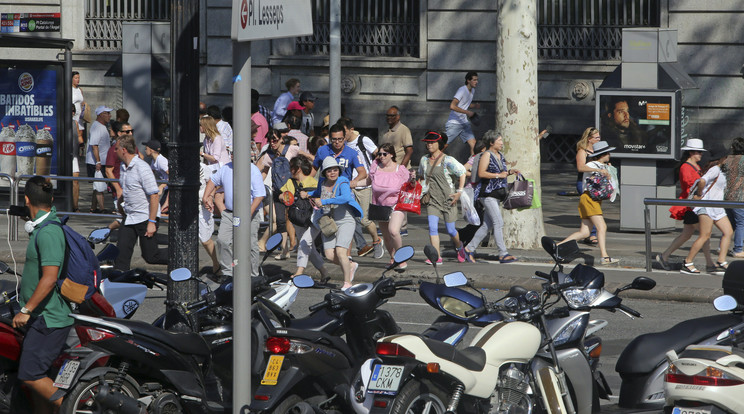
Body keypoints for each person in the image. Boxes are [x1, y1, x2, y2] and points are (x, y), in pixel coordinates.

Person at [13, 176, 73, 412]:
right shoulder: (42, 227)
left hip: (49, 319)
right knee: (38, 379)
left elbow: (49, 278)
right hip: (42, 317)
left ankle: (74, 408)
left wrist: (26, 310)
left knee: (31, 375)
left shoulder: (48, 233)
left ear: (26, 199)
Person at [461, 131, 519, 264]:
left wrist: (509, 172)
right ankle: (503, 254)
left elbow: (501, 172)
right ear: (491, 143)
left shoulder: (500, 156)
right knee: (499, 222)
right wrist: (499, 176)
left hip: (497, 195)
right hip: (487, 195)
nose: (502, 142)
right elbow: (481, 173)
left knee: (487, 225)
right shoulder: (486, 155)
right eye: (499, 140)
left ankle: (469, 249)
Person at [558, 141, 619, 265]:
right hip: (590, 199)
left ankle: (557, 246)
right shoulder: (592, 164)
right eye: (608, 153)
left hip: (592, 200)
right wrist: (600, 170)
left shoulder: (602, 166)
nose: (609, 155)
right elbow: (582, 167)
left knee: (584, 232)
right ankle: (604, 256)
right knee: (602, 227)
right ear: (603, 154)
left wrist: (608, 171)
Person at [656, 139, 713, 270]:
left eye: (701, 152)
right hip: (691, 205)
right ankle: (699, 263)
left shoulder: (695, 166)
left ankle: (665, 256)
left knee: (688, 235)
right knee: (704, 234)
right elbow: (690, 188)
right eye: (698, 152)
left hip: (693, 205)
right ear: (691, 152)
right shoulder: (686, 167)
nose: (701, 154)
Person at [113, 134, 169, 271]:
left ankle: (179, 256)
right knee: (121, 253)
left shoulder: (142, 168)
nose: (114, 152)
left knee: (151, 256)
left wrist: (152, 222)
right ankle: (120, 283)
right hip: (129, 216)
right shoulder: (123, 167)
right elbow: (125, 191)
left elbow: (154, 196)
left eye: (116, 149)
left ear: (124, 150)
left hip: (145, 217)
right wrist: (121, 207)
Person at [310, 157, 363, 290]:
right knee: (328, 255)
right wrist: (308, 194)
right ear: (324, 173)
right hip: (329, 222)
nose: (332, 173)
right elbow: (317, 193)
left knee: (340, 252)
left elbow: (345, 197)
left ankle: (347, 283)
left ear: (339, 171)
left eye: (335, 170)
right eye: (329, 171)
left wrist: (325, 202)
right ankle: (350, 266)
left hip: (346, 220)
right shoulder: (322, 182)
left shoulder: (343, 181)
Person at [418, 131, 467, 263]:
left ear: (439, 144)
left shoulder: (448, 160)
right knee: (432, 227)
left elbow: (462, 173)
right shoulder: (424, 160)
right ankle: (436, 257)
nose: (429, 145)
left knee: (451, 230)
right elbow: (421, 176)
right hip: (432, 199)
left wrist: (459, 192)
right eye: (427, 142)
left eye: (432, 142)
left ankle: (459, 247)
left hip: (448, 199)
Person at [338, 117, 384, 258]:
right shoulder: (342, 144)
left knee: (364, 220)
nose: (342, 135)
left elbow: (378, 154)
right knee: (350, 218)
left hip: (364, 185)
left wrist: (376, 173)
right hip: (349, 186)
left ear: (351, 129)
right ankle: (348, 253)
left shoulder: (363, 140)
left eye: (344, 131)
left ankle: (377, 241)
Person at [680, 154, 733, 275]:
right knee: (705, 236)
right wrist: (699, 194)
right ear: (721, 158)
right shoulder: (715, 169)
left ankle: (721, 261)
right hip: (706, 206)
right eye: (727, 158)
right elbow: (702, 180)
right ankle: (687, 262)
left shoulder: (724, 171)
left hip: (717, 208)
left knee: (728, 231)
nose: (729, 160)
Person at [281, 155, 329, 278]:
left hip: (314, 219)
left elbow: (321, 199)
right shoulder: (290, 182)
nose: (289, 170)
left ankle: (299, 271)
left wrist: (308, 195)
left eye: (291, 167)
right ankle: (324, 272)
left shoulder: (313, 182)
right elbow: (282, 195)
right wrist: (284, 197)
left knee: (304, 242)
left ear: (298, 168)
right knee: (309, 246)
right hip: (298, 218)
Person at [369, 143, 412, 266]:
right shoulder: (375, 166)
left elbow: (410, 185)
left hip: (396, 204)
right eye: (379, 154)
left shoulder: (400, 170)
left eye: (384, 154)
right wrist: (353, 183)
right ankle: (393, 258)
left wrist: (413, 180)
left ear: (391, 155)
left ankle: (401, 258)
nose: (381, 156)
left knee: (393, 231)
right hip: (380, 206)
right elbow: (368, 180)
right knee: (386, 237)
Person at [575, 127, 604, 245]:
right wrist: (597, 169)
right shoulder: (582, 151)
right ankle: (591, 234)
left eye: (599, 137)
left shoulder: (598, 151)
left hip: (596, 183)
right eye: (597, 137)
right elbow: (580, 167)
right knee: (591, 208)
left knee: (592, 209)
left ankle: (587, 232)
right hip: (584, 183)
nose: (599, 139)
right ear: (589, 139)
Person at [445, 72, 480, 155]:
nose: (476, 82)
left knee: (474, 145)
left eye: (477, 80)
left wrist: (474, 105)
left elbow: (464, 104)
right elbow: (452, 106)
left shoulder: (473, 91)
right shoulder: (462, 90)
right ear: (468, 80)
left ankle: (471, 167)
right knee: (443, 145)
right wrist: (468, 112)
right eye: (474, 80)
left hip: (464, 123)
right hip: (454, 123)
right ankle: (432, 162)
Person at [86, 105, 113, 213]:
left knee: (97, 185)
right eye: (107, 113)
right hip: (96, 162)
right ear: (101, 115)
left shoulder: (102, 127)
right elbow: (94, 145)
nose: (110, 116)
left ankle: (93, 207)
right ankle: (102, 208)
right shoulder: (97, 127)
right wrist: (98, 161)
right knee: (99, 185)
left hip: (101, 161)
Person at [723, 137, 744, 258]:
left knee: (729, 224)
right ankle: (738, 249)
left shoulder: (727, 159)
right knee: (741, 223)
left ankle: (723, 247)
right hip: (739, 197)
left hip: (726, 196)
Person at [143, 140, 169, 213]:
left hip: (169, 189)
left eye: (146, 148)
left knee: (161, 211)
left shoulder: (161, 161)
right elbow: (150, 174)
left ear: (151, 150)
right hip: (166, 188)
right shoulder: (154, 161)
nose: (145, 150)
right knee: (160, 211)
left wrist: (162, 186)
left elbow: (173, 176)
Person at [71, 105, 84, 212]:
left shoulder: (75, 123)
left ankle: (75, 206)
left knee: (75, 180)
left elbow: (79, 136)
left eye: (73, 111)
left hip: (73, 155)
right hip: (63, 157)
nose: (72, 113)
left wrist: (81, 143)